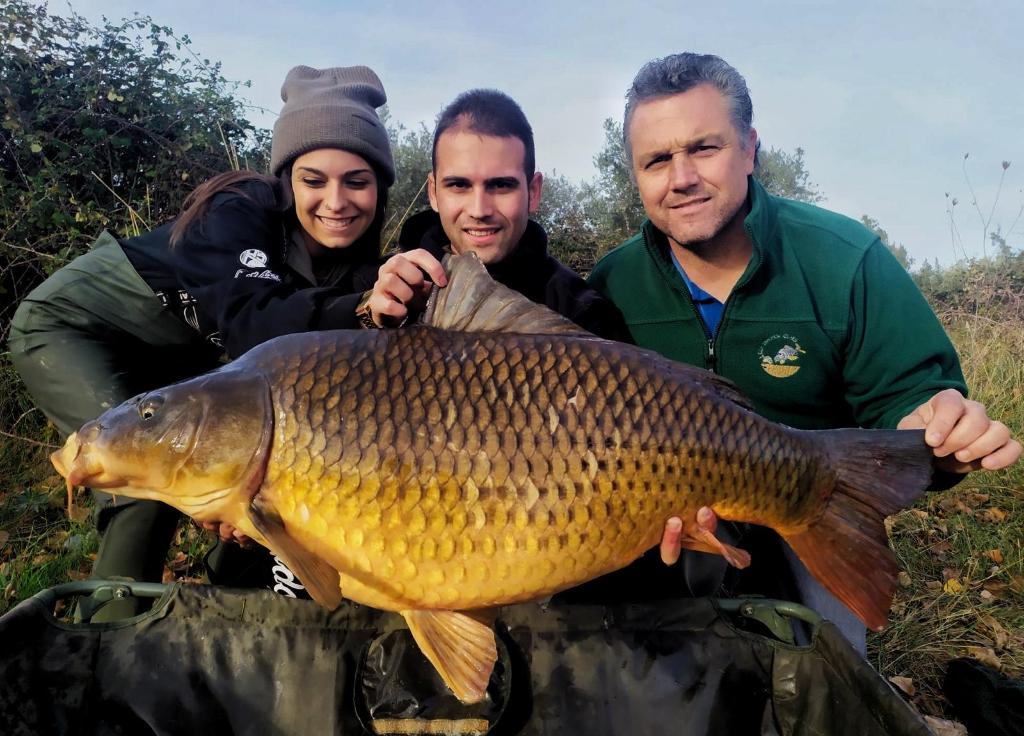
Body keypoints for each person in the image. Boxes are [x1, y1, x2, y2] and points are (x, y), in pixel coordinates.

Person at [587, 52, 1022, 651]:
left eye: (703, 149)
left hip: (806, 518)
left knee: (820, 681)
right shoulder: (609, 286)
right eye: (657, 160)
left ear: (750, 148)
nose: (680, 176)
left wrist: (937, 433)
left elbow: (909, 405)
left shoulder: (844, 259)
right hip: (662, 528)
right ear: (636, 175)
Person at [9, 64, 396, 616]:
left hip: (177, 369)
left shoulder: (352, 266)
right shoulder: (236, 209)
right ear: (287, 181)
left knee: (249, 493)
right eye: (314, 180)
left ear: (380, 188)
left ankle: (222, 610)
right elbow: (250, 320)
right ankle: (107, 657)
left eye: (356, 181)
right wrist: (362, 310)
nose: (336, 201)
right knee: (140, 488)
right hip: (73, 328)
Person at [356, 89, 630, 342]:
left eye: (500, 185)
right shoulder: (373, 287)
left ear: (533, 192)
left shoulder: (586, 314)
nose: (479, 210)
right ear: (433, 192)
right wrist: (369, 318)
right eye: (459, 185)